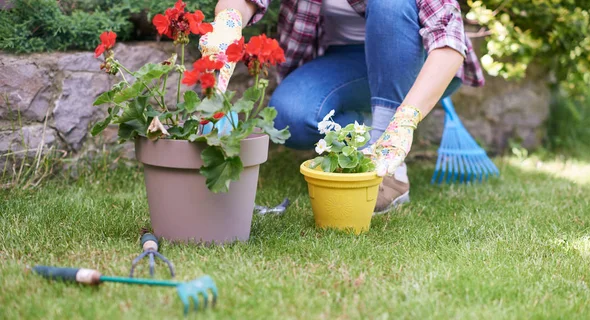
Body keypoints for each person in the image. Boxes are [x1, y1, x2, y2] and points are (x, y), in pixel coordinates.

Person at [200, 0, 485, 213]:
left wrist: (404, 123)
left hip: (416, 60)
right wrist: (228, 22)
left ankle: (390, 168)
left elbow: (448, 40)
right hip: (345, 61)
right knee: (291, 117)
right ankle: (370, 132)